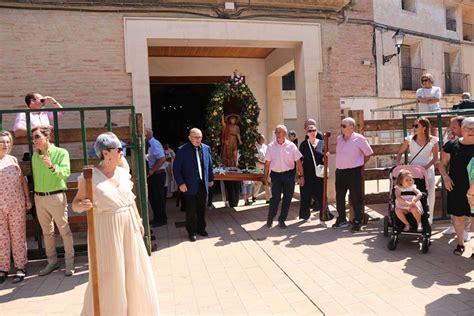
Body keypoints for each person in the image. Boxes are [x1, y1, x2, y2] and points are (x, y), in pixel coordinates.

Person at [72, 132, 159, 315]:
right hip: (106, 229)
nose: (122, 152)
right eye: (119, 149)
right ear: (105, 153)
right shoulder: (89, 177)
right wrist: (82, 205)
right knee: (110, 274)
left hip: (129, 226)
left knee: (133, 271)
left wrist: (138, 220)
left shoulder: (123, 172)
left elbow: (130, 200)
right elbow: (75, 204)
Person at [31, 126, 74, 276]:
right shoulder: (35, 156)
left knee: (64, 231)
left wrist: (51, 166)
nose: (34, 141)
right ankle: (52, 262)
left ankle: (69, 263)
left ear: (47, 137)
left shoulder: (61, 153)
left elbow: (65, 173)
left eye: (37, 137)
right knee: (47, 232)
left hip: (56, 196)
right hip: (39, 197)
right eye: (33, 138)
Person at [438, 117, 474, 256]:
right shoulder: (451, 146)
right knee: (458, 217)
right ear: (462, 130)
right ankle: (460, 243)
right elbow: (442, 164)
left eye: (473, 129)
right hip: (456, 188)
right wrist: (445, 177)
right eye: (467, 128)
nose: (471, 131)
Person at [0, 131, 31, 284]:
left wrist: (26, 198)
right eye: (1, 142)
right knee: (2, 238)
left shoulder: (13, 160)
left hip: (16, 204)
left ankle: (20, 267)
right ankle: (3, 268)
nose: (5, 145)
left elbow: (22, 181)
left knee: (18, 235)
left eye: (7, 142)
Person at [173, 128, 214, 242]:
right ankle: (192, 232)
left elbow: (209, 165)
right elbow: (176, 169)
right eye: (195, 137)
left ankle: (201, 228)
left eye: (200, 137)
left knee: (202, 208)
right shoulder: (182, 150)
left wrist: (210, 179)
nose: (198, 139)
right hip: (189, 185)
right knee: (191, 210)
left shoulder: (206, 149)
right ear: (190, 138)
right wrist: (181, 183)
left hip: (203, 184)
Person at [396, 117, 439, 224]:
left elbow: (435, 158)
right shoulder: (409, 139)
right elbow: (400, 152)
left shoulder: (433, 140)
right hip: (413, 171)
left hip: (427, 169)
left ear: (424, 128)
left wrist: (426, 167)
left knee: (429, 193)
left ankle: (429, 219)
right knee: (412, 192)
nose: (414, 128)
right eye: (413, 125)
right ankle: (413, 218)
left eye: (416, 126)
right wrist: (398, 165)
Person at [334, 117, 373, 232]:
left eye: (344, 126)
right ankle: (341, 219)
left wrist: (359, 164)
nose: (341, 128)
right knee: (339, 197)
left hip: (353, 171)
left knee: (356, 197)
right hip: (340, 171)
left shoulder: (359, 138)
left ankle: (358, 220)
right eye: (341, 125)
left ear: (352, 127)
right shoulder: (339, 139)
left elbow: (369, 153)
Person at [263, 124, 305, 229]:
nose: (277, 134)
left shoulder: (291, 146)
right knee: (275, 198)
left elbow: (298, 162)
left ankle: (282, 220)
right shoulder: (270, 146)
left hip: (289, 175)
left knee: (287, 199)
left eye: (279, 132)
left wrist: (301, 176)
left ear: (285, 134)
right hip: (276, 176)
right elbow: (267, 164)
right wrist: (265, 178)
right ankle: (270, 218)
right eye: (276, 132)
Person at [298, 124, 327, 222]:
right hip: (307, 174)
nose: (312, 132)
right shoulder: (303, 145)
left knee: (322, 196)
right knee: (306, 196)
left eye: (314, 130)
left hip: (319, 175)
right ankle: (305, 216)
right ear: (306, 133)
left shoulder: (322, 143)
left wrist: (326, 156)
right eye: (309, 131)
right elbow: (299, 161)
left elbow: (324, 159)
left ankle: (324, 217)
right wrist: (300, 176)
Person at [145, 128, 167, 227]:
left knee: (158, 198)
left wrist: (152, 170)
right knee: (152, 198)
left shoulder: (154, 144)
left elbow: (162, 158)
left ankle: (161, 219)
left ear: (147, 135)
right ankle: (157, 218)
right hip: (153, 175)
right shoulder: (149, 144)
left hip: (157, 174)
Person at [252, 134, 271, 204]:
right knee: (258, 183)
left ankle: (268, 198)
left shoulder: (266, 147)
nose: (264, 140)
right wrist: (264, 163)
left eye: (264, 139)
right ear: (259, 139)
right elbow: (256, 159)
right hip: (259, 168)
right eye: (262, 139)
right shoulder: (255, 147)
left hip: (266, 168)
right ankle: (254, 195)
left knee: (267, 182)